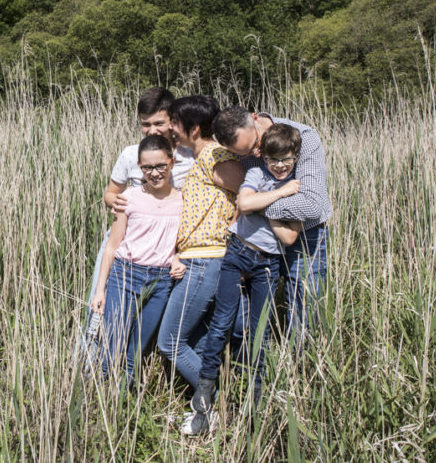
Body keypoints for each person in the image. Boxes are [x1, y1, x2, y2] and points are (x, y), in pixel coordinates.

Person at [185, 124, 303, 435]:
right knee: (222, 322)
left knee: (258, 332)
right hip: (237, 253)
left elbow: (290, 236)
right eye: (273, 159)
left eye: (286, 160)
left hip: (268, 263)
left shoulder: (301, 188)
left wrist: (263, 204)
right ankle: (204, 396)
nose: (279, 166)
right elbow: (244, 203)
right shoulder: (262, 177)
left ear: (296, 157)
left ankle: (255, 405)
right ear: (264, 157)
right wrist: (278, 196)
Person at [154, 95, 244, 428]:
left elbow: (246, 191)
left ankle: (214, 407)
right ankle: (210, 407)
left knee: (171, 342)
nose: (171, 129)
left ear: (193, 128)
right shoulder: (201, 158)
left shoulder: (214, 155)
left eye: (175, 123)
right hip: (198, 259)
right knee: (194, 340)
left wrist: (233, 227)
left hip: (205, 260)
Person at [212, 106, 332, 345]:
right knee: (247, 315)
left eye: (256, 144)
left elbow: (311, 206)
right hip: (253, 240)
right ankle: (254, 366)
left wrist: (256, 205)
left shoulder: (304, 137)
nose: (256, 154)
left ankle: (298, 372)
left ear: (255, 119)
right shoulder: (237, 148)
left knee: (304, 311)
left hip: (306, 236)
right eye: (246, 154)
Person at [90, 135, 186, 388]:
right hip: (125, 275)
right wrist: (100, 290)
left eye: (160, 166)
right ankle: (99, 401)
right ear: (139, 168)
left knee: (137, 348)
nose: (154, 173)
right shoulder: (129, 198)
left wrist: (176, 258)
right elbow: (112, 246)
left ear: (172, 162)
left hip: (161, 282)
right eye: (147, 168)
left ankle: (125, 402)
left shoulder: (183, 201)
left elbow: (179, 242)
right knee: (113, 342)